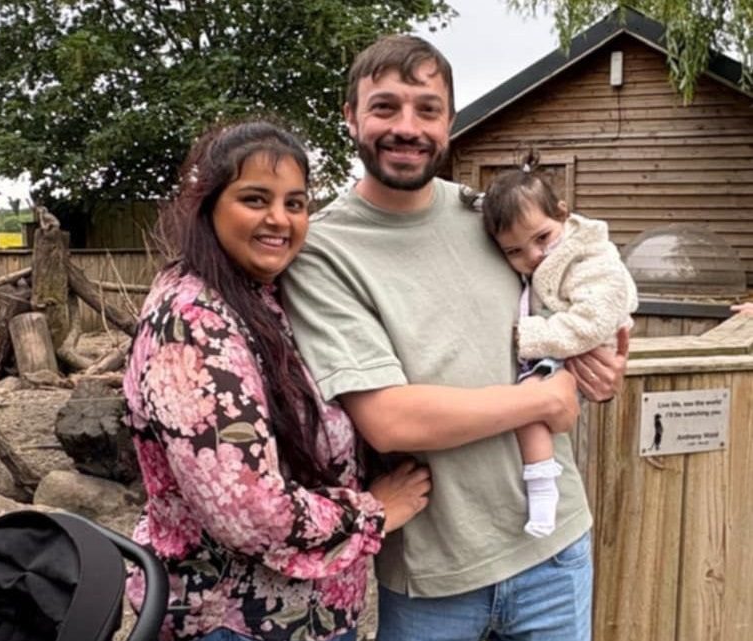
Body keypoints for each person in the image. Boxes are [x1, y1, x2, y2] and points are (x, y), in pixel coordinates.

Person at [281, 35, 628, 641]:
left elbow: (579, 301)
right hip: (434, 574)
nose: (406, 127)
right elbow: (390, 420)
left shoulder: (490, 217)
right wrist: (546, 400)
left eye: (427, 108)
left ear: (450, 120)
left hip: (554, 549)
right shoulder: (323, 251)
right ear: (351, 118)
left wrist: (597, 362)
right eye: (385, 107)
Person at [122, 120, 432, 641]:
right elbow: (249, 509)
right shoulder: (191, 324)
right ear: (208, 204)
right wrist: (374, 511)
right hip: (232, 620)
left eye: (295, 203)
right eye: (254, 199)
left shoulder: (265, 297)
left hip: (299, 618)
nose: (278, 219)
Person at [479, 150, 639, 538]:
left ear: (564, 214)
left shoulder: (591, 258)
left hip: (577, 345)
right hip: (564, 342)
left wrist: (526, 336)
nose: (532, 256)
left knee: (529, 405)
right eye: (514, 251)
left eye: (542, 238)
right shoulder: (555, 255)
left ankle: (543, 489)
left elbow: (593, 320)